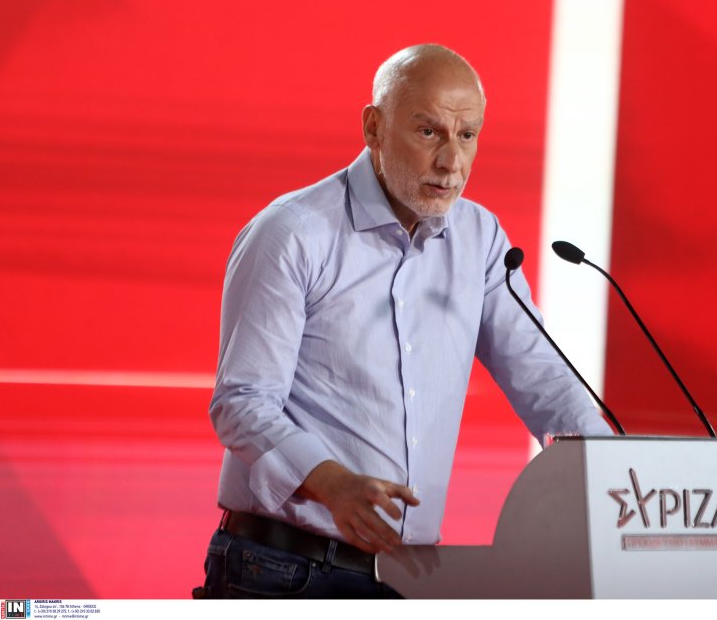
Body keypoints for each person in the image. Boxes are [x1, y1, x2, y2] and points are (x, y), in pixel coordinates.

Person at [196, 44, 613, 599]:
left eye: (468, 135)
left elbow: (544, 379)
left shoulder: (480, 239)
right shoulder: (294, 233)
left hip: (408, 580)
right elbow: (242, 402)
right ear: (374, 127)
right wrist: (332, 483)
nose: (451, 161)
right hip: (283, 570)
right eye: (429, 132)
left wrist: (619, 477)